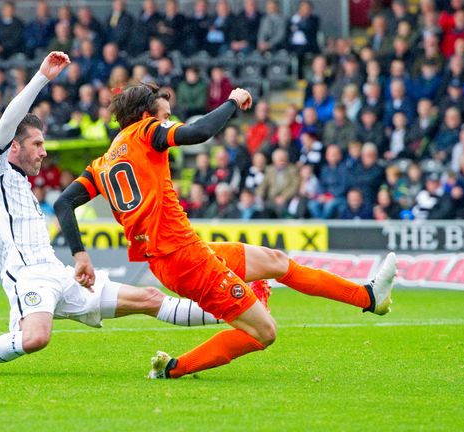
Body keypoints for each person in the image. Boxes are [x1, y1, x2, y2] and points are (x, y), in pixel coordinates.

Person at [0, 52, 230, 376]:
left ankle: (237, 309)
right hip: (27, 275)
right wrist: (41, 77)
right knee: (35, 338)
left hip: (59, 273)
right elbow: (9, 121)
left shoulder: (13, 183)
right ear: (13, 147)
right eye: (36, 144)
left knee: (149, 298)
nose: (44, 151)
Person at [54, 82, 397, 380]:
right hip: (185, 260)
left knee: (275, 260)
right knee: (264, 332)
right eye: (166, 116)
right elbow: (199, 133)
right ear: (146, 115)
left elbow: (63, 204)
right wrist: (233, 100)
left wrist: (80, 255)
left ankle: (367, 297)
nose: (169, 121)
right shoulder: (146, 132)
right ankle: (174, 368)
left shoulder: (103, 163)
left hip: (179, 254)